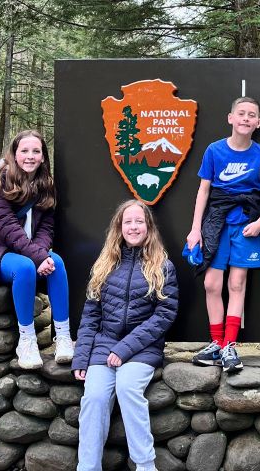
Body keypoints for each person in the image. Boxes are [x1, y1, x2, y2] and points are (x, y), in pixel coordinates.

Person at [72, 200, 178, 471]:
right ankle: (88, 466)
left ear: (148, 227)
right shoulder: (104, 264)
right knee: (94, 397)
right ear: (119, 227)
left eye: (139, 221)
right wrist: (81, 358)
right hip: (103, 346)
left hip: (143, 349)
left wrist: (124, 349)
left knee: (128, 388)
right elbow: (90, 316)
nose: (133, 227)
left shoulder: (162, 266)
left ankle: (145, 465)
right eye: (127, 222)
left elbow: (164, 316)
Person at [0, 130, 73, 370]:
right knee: (24, 267)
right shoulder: (0, 181)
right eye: (24, 151)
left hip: (31, 250)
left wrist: (42, 254)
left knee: (58, 263)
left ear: (43, 157)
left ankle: (63, 336)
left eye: (36, 151)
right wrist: (37, 257)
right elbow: (6, 227)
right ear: (14, 154)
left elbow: (47, 228)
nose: (30, 156)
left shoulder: (46, 185)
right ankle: (27, 340)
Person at [186, 96, 260, 372]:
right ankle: (215, 343)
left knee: (237, 284)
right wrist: (195, 229)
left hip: (246, 225)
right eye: (241, 113)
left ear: (258, 123)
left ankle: (229, 347)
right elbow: (203, 191)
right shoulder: (214, 151)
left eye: (252, 115)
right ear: (230, 118)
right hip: (217, 224)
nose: (246, 118)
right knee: (212, 284)